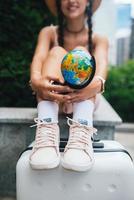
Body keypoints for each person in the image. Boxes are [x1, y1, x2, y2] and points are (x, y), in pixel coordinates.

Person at [29, 0, 109, 172]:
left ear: (88, 2)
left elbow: (101, 68)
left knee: (81, 52)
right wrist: (36, 82)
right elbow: (38, 59)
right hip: (54, 98)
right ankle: (46, 131)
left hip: (85, 98)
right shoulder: (49, 33)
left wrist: (94, 86)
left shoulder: (98, 39)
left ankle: (81, 131)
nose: (72, 0)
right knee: (57, 51)